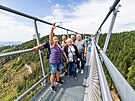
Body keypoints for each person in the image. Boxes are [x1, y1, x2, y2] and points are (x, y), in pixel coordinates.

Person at [49, 22, 68, 92]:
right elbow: (50, 37)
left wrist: (66, 58)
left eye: (57, 39)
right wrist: (52, 29)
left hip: (59, 61)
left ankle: (58, 80)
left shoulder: (59, 45)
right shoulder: (52, 44)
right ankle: (52, 86)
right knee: (53, 74)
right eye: (55, 39)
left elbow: (62, 52)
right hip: (53, 62)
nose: (56, 40)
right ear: (53, 40)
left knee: (58, 71)